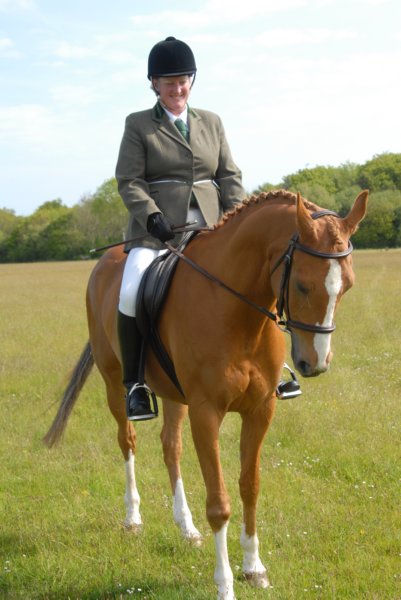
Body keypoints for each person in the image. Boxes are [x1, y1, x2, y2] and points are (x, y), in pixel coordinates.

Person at [115, 36, 301, 422]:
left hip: (213, 227)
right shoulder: (138, 125)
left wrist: (238, 221)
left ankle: (274, 367)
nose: (178, 89)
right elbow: (128, 180)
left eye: (183, 80)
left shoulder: (211, 122)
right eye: (169, 83)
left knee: (257, 280)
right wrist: (151, 217)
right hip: (157, 231)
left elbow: (229, 174)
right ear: (154, 84)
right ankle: (135, 384)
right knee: (130, 290)